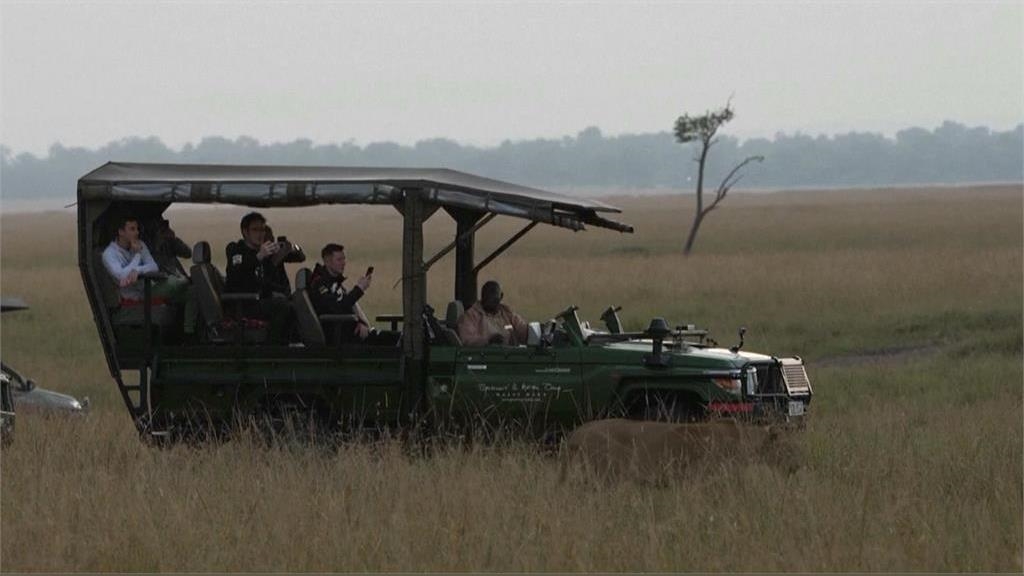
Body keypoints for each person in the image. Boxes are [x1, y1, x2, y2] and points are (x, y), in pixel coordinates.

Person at [102, 215, 189, 321]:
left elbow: (153, 266)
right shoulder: (109, 254)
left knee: (192, 293)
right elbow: (122, 276)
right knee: (174, 283)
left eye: (137, 229)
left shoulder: (140, 243)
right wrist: (137, 255)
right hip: (134, 295)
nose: (137, 233)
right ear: (121, 232)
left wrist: (138, 270)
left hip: (149, 287)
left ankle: (189, 329)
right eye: (132, 229)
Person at [224, 212, 292, 342]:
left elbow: (265, 281)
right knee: (281, 306)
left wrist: (275, 260)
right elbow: (237, 273)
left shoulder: (261, 253)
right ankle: (272, 348)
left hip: (258, 301)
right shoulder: (236, 250)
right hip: (242, 304)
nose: (260, 234)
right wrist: (259, 257)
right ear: (245, 232)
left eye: (262, 230)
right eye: (255, 230)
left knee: (290, 302)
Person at [309, 243, 373, 341]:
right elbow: (336, 308)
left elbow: (346, 306)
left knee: (393, 338)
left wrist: (360, 322)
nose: (343, 263)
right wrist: (359, 289)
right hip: (338, 337)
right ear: (327, 262)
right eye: (339, 260)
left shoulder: (335, 282)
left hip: (352, 332)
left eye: (344, 259)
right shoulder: (320, 284)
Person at [458, 280, 528, 346]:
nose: (489, 297)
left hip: (510, 353)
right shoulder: (471, 316)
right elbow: (466, 339)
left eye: (492, 293)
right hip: (484, 353)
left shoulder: (508, 314)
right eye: (485, 294)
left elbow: (524, 331)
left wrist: (531, 332)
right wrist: (488, 340)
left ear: (501, 296)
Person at [262, 225, 306, 297]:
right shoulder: (257, 256)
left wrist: (292, 248)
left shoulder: (276, 252)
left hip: (284, 293)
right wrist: (278, 257)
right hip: (270, 295)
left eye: (272, 238)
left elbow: (301, 257)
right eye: (268, 238)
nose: (272, 240)